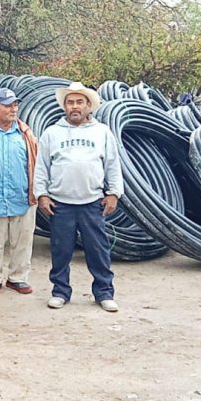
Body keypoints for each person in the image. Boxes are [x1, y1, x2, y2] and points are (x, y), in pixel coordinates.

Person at [34, 82, 124, 312]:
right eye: (70, 102)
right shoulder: (52, 133)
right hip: (60, 204)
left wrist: (114, 193)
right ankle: (60, 291)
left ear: (88, 106)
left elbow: (112, 164)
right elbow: (41, 166)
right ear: (64, 106)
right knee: (61, 251)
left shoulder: (102, 132)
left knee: (98, 250)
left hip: (92, 202)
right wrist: (41, 194)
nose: (75, 106)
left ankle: (104, 292)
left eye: (79, 102)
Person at [0, 88, 38, 296]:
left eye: (15, 105)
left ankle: (17, 278)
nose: (14, 109)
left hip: (22, 194)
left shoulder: (25, 132)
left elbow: (36, 161)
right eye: (8, 105)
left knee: (22, 240)